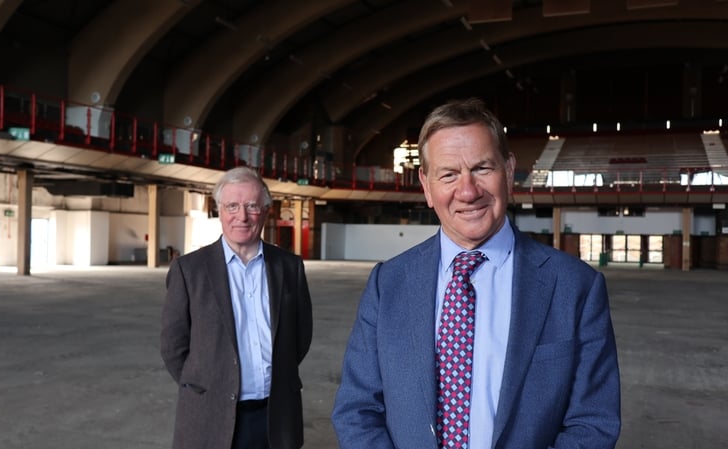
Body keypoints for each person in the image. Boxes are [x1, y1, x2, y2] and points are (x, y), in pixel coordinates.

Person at [331, 98, 620, 449]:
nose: (468, 192)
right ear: (426, 186)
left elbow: (593, 423)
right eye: (448, 174)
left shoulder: (576, 287)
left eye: (482, 169)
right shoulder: (387, 283)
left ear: (509, 172)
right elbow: (357, 410)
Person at [161, 165, 313, 449]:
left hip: (276, 415)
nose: (242, 216)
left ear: (265, 211)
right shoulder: (189, 270)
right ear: (219, 210)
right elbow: (173, 346)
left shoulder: (289, 267)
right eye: (232, 206)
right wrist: (205, 386)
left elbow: (300, 337)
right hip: (210, 415)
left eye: (251, 206)